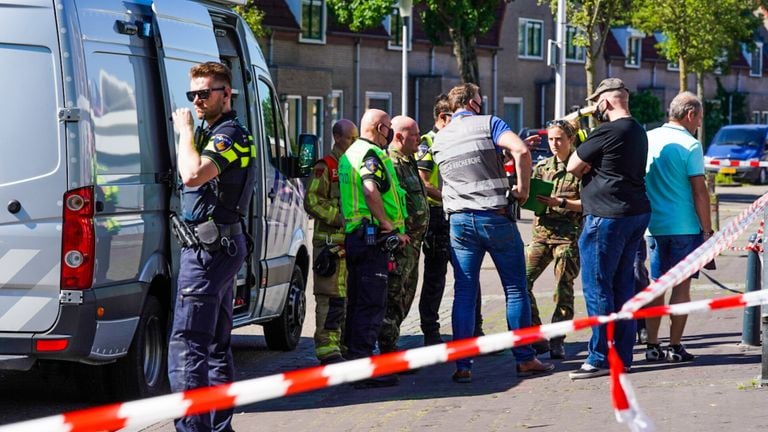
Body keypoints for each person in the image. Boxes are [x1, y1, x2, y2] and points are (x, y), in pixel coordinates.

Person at [432, 83, 554, 383]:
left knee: (464, 292)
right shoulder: (490, 123)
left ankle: (463, 365)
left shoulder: (439, 137)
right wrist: (523, 191)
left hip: (459, 223)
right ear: (473, 103)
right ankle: (525, 359)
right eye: (480, 101)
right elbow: (522, 150)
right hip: (495, 218)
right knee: (515, 288)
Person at [169, 62, 253, 431]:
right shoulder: (215, 131)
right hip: (218, 246)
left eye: (206, 93)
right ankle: (219, 427)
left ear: (227, 93)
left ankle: (194, 429)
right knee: (217, 345)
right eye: (193, 95)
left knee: (188, 343)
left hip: (209, 251)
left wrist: (185, 131)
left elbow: (192, 175)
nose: (198, 100)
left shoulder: (229, 134)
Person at [566, 78, 651, 380]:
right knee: (622, 286)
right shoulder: (638, 130)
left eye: (596, 104)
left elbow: (572, 165)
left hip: (606, 216)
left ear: (605, 102)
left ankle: (599, 356)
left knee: (597, 286)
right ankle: (623, 356)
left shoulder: (608, 130)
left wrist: (579, 138)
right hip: (635, 212)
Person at [339, 109, 409, 389]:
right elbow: (370, 190)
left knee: (358, 302)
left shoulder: (351, 153)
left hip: (356, 235)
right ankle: (364, 368)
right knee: (371, 304)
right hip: (371, 237)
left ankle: (357, 362)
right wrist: (387, 225)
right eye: (389, 127)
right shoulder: (371, 155)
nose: (390, 132)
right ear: (380, 128)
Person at [644, 91, 713, 363]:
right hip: (684, 226)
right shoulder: (691, 145)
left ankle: (651, 345)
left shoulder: (649, 139)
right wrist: (707, 231)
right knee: (681, 288)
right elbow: (699, 191)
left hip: (654, 225)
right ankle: (675, 346)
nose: (698, 125)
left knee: (656, 286)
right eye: (699, 120)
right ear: (690, 115)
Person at [416, 95, 486, 345]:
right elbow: (423, 182)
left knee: (469, 275)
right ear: (443, 118)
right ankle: (431, 332)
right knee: (435, 277)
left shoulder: (456, 140)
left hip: (460, 213)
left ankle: (475, 330)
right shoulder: (428, 142)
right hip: (438, 217)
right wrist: (452, 194)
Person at [525, 120, 583, 360]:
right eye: (550, 139)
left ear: (570, 139)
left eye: (559, 139)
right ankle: (537, 335)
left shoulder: (580, 168)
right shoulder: (542, 167)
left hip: (566, 238)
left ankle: (557, 339)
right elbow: (530, 195)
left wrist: (561, 203)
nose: (554, 144)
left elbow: (587, 204)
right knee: (521, 282)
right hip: (541, 235)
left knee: (562, 289)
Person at [304, 119, 358, 365]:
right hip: (330, 246)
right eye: (351, 139)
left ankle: (343, 345)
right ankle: (327, 349)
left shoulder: (354, 167)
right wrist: (340, 219)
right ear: (338, 138)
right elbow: (312, 201)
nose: (355, 143)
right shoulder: (325, 167)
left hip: (351, 245)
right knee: (330, 298)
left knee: (348, 298)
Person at [378, 116, 429, 353]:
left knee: (407, 294)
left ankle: (392, 341)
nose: (419, 138)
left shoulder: (408, 161)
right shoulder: (392, 164)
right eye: (415, 134)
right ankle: (388, 348)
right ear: (399, 136)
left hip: (414, 243)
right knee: (394, 296)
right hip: (400, 245)